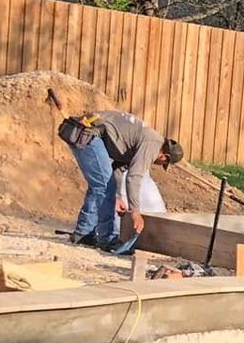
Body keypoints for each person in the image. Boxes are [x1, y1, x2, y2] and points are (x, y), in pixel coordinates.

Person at [56, 105, 183, 252]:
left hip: (84, 132)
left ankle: (84, 233)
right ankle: (108, 239)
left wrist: (117, 197)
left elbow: (117, 169)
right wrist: (135, 212)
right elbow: (133, 177)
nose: (157, 164)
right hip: (87, 133)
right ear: (164, 157)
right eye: (163, 163)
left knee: (100, 183)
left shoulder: (146, 141)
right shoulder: (153, 145)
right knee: (104, 186)